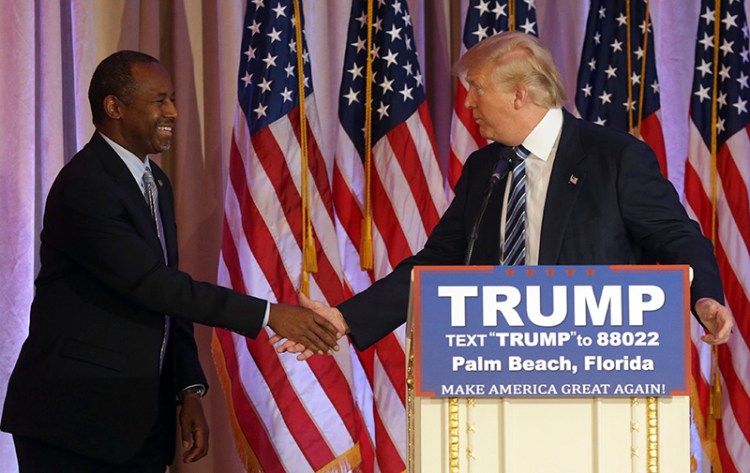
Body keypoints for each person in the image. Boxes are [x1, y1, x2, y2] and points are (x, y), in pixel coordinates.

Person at [278, 31, 734, 357]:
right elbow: (436, 262)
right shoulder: (485, 167)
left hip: (593, 369)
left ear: (520, 94)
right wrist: (345, 318)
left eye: (475, 88)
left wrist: (705, 297)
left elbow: (678, 239)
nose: (468, 103)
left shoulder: (614, 158)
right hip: (496, 368)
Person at [1, 50, 341, 473]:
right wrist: (270, 315)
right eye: (159, 100)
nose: (173, 112)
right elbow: (153, 286)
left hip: (138, 421)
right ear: (115, 107)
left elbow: (168, 290)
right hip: (74, 423)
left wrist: (188, 390)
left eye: (174, 99)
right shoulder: (86, 186)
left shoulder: (154, 182)